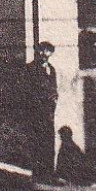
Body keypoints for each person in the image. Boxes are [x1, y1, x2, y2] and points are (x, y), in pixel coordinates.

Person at [24, 40, 60, 183]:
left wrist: (54, 100)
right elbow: (27, 91)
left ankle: (49, 174)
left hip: (49, 113)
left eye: (48, 52)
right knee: (37, 143)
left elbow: (54, 89)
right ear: (38, 52)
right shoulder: (30, 69)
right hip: (36, 113)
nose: (45, 54)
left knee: (49, 143)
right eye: (43, 51)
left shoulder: (51, 69)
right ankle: (38, 174)